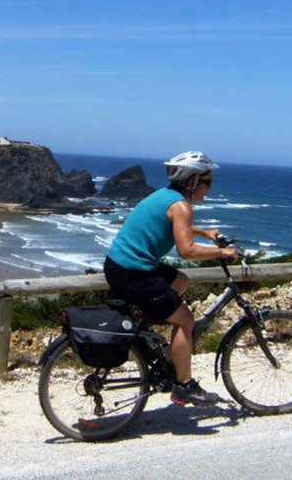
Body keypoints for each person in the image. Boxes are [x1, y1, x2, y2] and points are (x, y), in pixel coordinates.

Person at [103, 151, 238, 406]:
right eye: (207, 181)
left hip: (120, 265)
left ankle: (154, 336)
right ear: (192, 181)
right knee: (186, 320)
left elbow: (174, 223)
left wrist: (205, 233)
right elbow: (186, 251)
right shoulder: (182, 206)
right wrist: (222, 252)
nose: (209, 187)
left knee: (180, 281)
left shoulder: (166, 196)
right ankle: (184, 387)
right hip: (133, 272)